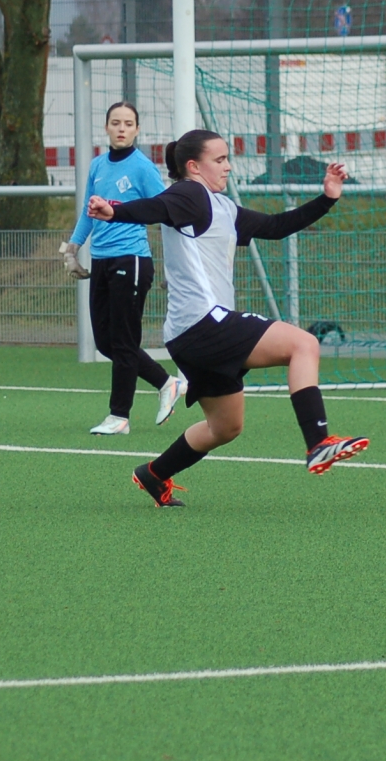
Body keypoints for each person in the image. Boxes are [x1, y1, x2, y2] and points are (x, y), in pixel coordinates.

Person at [88, 129, 369, 506]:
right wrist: (115, 212)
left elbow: (276, 227)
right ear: (193, 166)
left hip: (188, 335)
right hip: (205, 323)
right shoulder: (189, 193)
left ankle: (154, 474)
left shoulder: (222, 207)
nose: (228, 167)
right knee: (304, 344)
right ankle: (318, 442)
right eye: (219, 160)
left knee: (225, 427)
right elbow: (155, 207)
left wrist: (327, 198)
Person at [63, 101, 188, 435]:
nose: (121, 129)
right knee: (105, 342)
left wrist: (175, 265)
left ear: (137, 129)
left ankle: (119, 416)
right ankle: (167, 383)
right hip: (101, 260)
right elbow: (88, 211)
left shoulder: (142, 168)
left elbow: (166, 211)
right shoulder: (97, 166)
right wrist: (73, 247)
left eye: (128, 123)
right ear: (106, 127)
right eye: (115, 122)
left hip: (131, 260)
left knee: (123, 340)